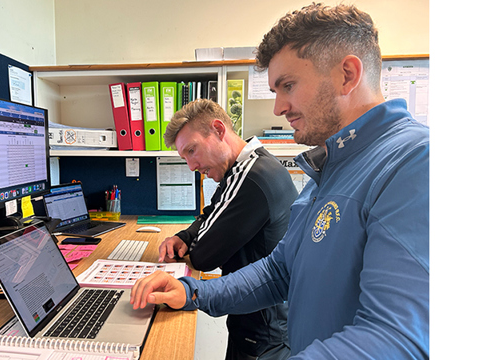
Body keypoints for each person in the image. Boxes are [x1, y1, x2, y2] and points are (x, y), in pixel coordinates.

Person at [131, 3, 429, 359]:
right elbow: (279, 271)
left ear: (347, 74)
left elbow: (397, 338)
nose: (278, 107)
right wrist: (193, 293)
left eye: (288, 85)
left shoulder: (416, 162)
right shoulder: (330, 167)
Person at [160, 98, 298, 360]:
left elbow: (204, 257)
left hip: (263, 333)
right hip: (260, 321)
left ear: (218, 130)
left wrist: (193, 243)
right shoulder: (245, 167)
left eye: (192, 150)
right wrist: (184, 236)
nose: (191, 166)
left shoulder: (252, 178)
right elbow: (212, 212)